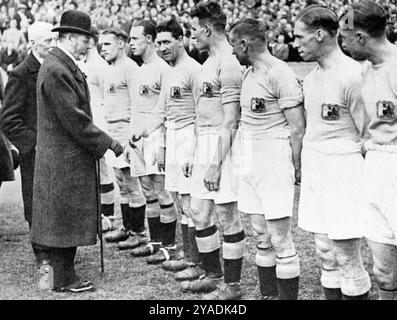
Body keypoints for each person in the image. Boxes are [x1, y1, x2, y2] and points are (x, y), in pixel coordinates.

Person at [31, 10, 123, 293]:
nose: (89, 45)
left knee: (62, 218)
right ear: (70, 38)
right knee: (61, 219)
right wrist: (108, 142)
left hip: (64, 156)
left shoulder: (59, 64)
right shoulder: (57, 68)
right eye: (85, 40)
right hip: (63, 158)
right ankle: (62, 279)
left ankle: (62, 275)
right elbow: (74, 118)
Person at [294, 5, 371, 300]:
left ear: (320, 35)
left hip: (344, 168)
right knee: (325, 252)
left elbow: (368, 136)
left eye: (300, 37)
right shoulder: (312, 79)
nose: (296, 44)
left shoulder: (354, 76)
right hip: (316, 166)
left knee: (347, 256)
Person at [229, 18, 304, 300]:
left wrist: (298, 166)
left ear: (244, 44)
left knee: (279, 237)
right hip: (249, 154)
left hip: (273, 155)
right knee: (260, 234)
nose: (232, 52)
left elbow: (297, 127)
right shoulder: (248, 74)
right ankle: (268, 295)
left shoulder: (279, 73)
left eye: (233, 45)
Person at [179, 1, 245, 300]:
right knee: (198, 212)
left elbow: (231, 119)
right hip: (203, 141)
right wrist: (194, 154)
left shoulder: (229, 63)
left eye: (194, 29)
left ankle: (232, 286)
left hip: (224, 145)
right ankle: (212, 274)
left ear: (206, 29)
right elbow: (200, 112)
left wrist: (216, 164)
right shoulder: (206, 63)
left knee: (227, 215)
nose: (192, 36)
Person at [130, 18, 204, 279]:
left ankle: (199, 262)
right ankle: (187, 257)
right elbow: (160, 109)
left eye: (166, 42)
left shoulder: (194, 70)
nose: (161, 47)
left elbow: (200, 113)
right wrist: (144, 131)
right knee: (180, 200)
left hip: (188, 136)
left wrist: (193, 150)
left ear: (180, 40)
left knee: (192, 203)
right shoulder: (170, 70)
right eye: (158, 42)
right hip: (172, 134)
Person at [339, 0, 397, 300]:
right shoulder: (365, 72)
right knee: (384, 271)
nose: (343, 46)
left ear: (361, 37)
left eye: (345, 39)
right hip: (375, 166)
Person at [0, 21, 56, 267]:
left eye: (54, 41)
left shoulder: (56, 67)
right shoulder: (21, 73)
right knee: (35, 201)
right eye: (47, 42)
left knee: (56, 198)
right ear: (33, 44)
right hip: (35, 152)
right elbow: (9, 119)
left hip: (58, 148)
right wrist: (32, 144)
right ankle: (41, 251)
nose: (53, 46)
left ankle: (57, 246)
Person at [127, 19, 179, 263]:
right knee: (147, 190)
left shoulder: (163, 69)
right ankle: (156, 242)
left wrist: (164, 145)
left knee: (162, 190)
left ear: (149, 39)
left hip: (156, 136)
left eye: (134, 39)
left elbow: (168, 111)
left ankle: (170, 245)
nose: (130, 44)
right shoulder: (138, 70)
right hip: (139, 137)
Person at [98, 27, 148, 250]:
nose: (103, 48)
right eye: (101, 45)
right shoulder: (108, 69)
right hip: (112, 131)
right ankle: (127, 227)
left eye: (107, 44)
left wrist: (132, 138)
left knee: (131, 182)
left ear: (121, 43)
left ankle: (139, 231)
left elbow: (139, 105)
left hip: (127, 130)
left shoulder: (130, 69)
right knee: (120, 180)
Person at [78, 26, 116, 232]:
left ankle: (108, 215)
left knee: (103, 169)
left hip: (99, 120)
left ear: (91, 41)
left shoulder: (100, 66)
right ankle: (98, 213)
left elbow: (107, 96)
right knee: (93, 169)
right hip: (87, 120)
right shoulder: (83, 63)